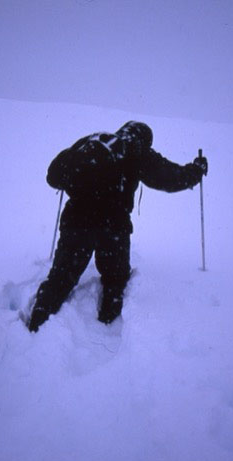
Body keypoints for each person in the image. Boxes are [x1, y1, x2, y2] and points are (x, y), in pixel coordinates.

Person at [26, 121, 208, 332]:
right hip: (113, 226)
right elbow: (169, 178)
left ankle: (38, 320)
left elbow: (54, 176)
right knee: (115, 279)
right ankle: (107, 325)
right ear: (145, 140)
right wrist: (196, 170)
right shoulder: (136, 150)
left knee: (61, 277)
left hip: (77, 220)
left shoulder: (92, 140)